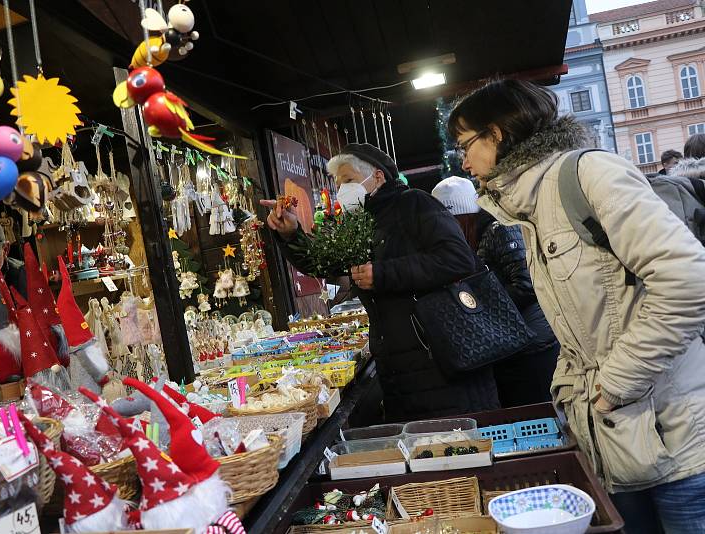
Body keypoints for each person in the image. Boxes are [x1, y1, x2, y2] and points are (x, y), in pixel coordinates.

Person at [449, 78, 705, 533]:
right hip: (618, 439)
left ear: (499, 133)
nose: (462, 159)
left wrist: (615, 383)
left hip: (678, 440)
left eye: (466, 143)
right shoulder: (528, 205)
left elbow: (687, 281)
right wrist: (574, 396)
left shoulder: (589, 175)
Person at [261, 143, 500, 422]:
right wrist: (291, 234)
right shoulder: (358, 222)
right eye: (338, 183)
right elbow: (322, 262)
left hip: (441, 356)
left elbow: (458, 259)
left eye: (348, 180)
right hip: (397, 366)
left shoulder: (414, 203)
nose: (342, 189)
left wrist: (383, 273)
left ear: (377, 176)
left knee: (460, 441)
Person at [432, 176, 559, 408]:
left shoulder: (499, 230)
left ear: (461, 216)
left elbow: (526, 284)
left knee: (535, 411)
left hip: (532, 344)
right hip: (513, 343)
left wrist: (481, 308)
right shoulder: (479, 234)